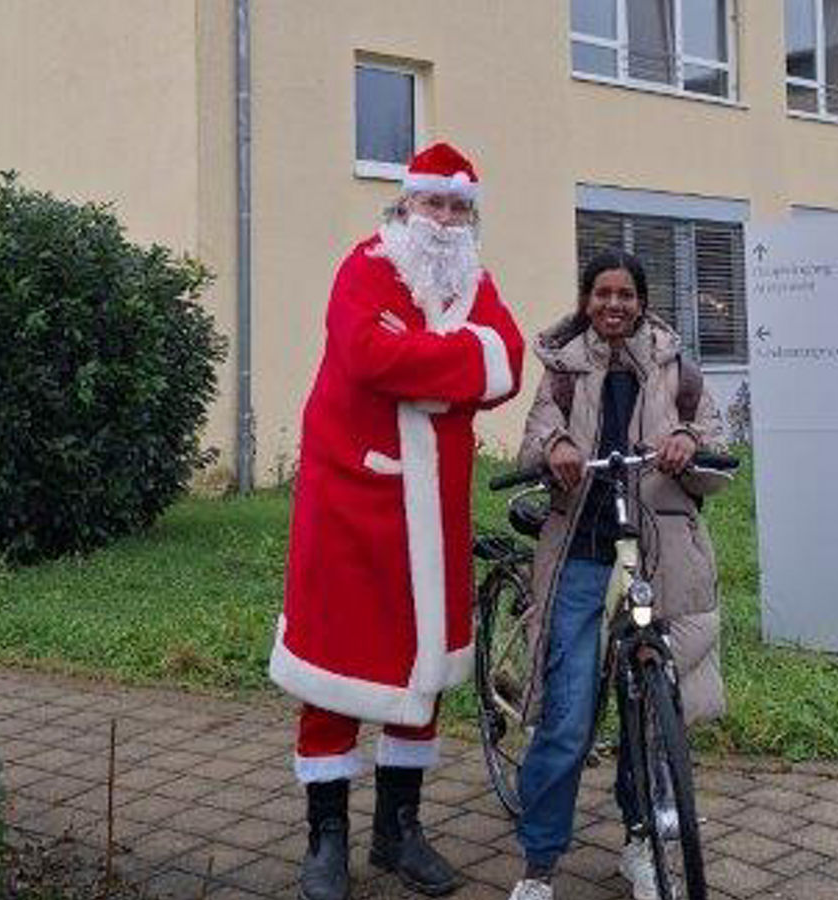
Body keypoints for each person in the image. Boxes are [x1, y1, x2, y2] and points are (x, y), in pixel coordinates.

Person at [269, 142, 525, 900]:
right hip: (350, 501)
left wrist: (431, 361)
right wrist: (454, 364)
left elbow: (504, 363)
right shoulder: (364, 268)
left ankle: (398, 830)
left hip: (433, 510)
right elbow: (367, 356)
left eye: (457, 208)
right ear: (404, 207)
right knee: (335, 666)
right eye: (432, 204)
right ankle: (326, 836)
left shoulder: (475, 280)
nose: (443, 220)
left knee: (425, 667)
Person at [507, 250, 729, 900]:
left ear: (642, 300)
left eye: (625, 294)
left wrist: (688, 442)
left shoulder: (678, 371)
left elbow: (715, 461)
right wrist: (557, 450)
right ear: (586, 300)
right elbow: (533, 440)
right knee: (570, 716)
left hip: (661, 552)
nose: (613, 305)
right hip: (581, 546)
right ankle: (539, 864)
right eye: (601, 293)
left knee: (654, 711)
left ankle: (640, 842)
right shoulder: (561, 371)